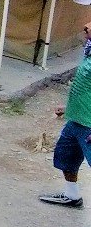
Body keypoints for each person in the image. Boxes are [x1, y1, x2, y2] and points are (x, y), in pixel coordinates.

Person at [38, 21, 91, 208]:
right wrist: (69, 109)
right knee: (66, 157)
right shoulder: (89, 51)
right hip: (77, 120)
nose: (86, 25)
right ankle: (72, 196)